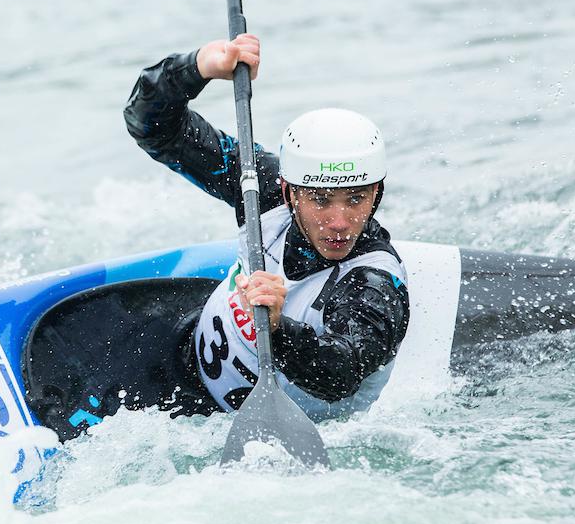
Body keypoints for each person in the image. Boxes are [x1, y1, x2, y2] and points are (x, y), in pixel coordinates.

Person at [124, 34, 410, 417]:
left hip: (248, 433)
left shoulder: (374, 282)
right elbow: (152, 126)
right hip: (181, 361)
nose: (340, 223)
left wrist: (277, 329)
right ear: (290, 192)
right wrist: (197, 67)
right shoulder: (264, 188)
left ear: (377, 193)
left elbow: (343, 373)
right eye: (321, 200)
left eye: (356, 199)